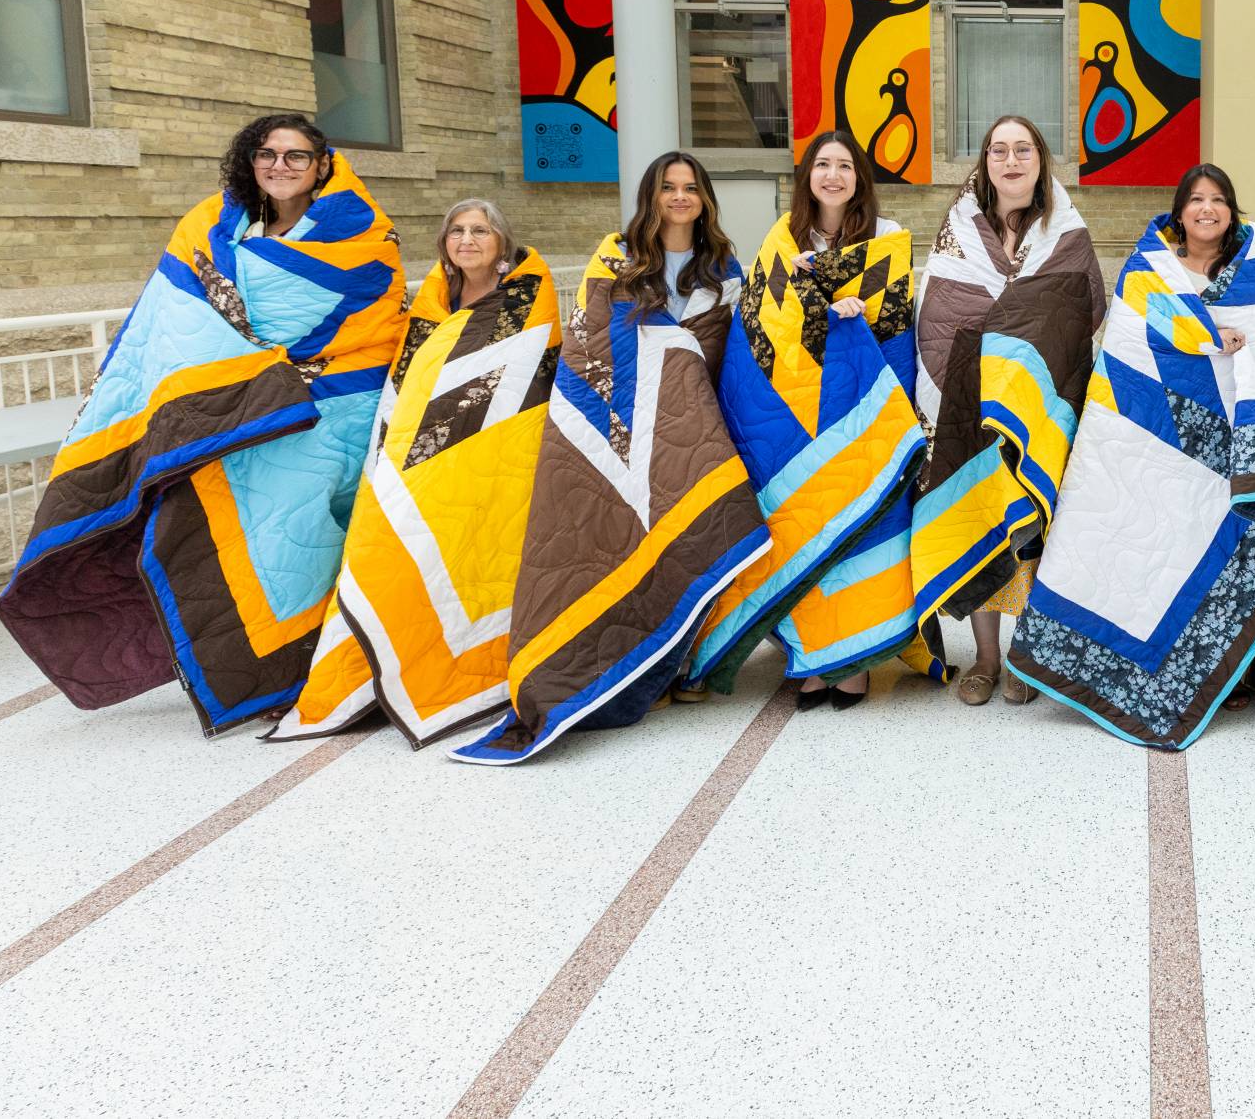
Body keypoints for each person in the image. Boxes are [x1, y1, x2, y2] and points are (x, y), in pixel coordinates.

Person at [0, 115, 406, 734]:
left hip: (332, 402)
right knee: (204, 521)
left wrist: (250, 340)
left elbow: (366, 314)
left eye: (297, 156)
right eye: (267, 154)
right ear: (250, 160)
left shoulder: (363, 231)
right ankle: (247, 665)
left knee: (299, 525)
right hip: (231, 406)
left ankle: (309, 666)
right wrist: (241, 350)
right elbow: (171, 306)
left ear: (323, 164)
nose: (280, 166)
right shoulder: (209, 223)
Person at [456, 154, 770, 765]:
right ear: (650, 197)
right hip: (622, 431)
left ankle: (685, 664)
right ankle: (630, 674)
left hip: (696, 431)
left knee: (690, 545)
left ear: (704, 199)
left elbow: (730, 349)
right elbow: (592, 338)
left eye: (690, 189)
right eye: (667, 189)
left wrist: (674, 356)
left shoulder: (726, 269)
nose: (679, 198)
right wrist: (665, 352)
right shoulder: (616, 256)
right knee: (621, 548)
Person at [1007, 165, 1255, 747]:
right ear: (1179, 210)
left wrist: (1228, 348)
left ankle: (1232, 671)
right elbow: (1127, 349)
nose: (1207, 209)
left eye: (1218, 200)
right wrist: (1203, 336)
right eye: (1196, 199)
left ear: (1232, 210)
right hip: (1152, 441)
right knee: (1146, 537)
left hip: (1235, 446)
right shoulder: (1147, 271)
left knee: (1234, 539)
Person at [273, 199, 562, 744]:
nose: (468, 240)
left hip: (492, 461)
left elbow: (528, 379)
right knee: (382, 549)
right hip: (415, 454)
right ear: (444, 242)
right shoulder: (428, 303)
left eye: (480, 231)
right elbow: (409, 385)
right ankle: (384, 667)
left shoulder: (527, 301)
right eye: (457, 231)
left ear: (502, 242)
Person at [689, 130, 932, 713]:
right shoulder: (782, 238)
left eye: (844, 166)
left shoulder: (887, 239)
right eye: (822, 164)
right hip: (796, 416)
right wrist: (805, 296)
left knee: (866, 527)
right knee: (804, 523)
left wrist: (857, 311)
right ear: (807, 177)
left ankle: (855, 660)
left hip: (861, 408)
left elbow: (898, 323)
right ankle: (812, 657)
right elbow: (759, 324)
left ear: (859, 179)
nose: (833, 175)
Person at [912, 115, 1108, 707]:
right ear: (985, 161)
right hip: (966, 402)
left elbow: (1083, 311)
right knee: (980, 516)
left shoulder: (1067, 231)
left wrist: (1020, 355)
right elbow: (940, 309)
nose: (1011, 160)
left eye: (1023, 149)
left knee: (1035, 524)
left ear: (1041, 161)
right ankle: (986, 658)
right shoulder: (959, 229)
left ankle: (1024, 655)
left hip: (1041, 401)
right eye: (999, 150)